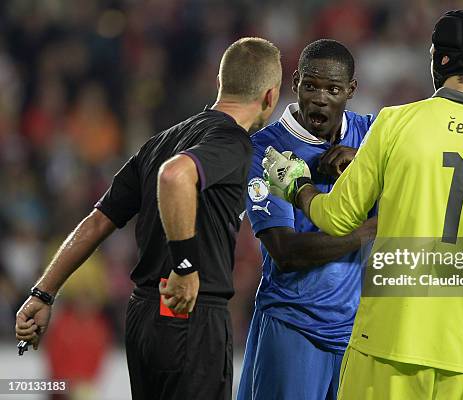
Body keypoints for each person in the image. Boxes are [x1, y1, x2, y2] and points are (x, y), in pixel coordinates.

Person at [263, 10, 463, 400]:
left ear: (440, 59)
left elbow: (335, 218)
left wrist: (298, 186)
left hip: (385, 348)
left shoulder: (397, 123)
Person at [14, 37, 282, 400]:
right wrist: (185, 266)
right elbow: (175, 176)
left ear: (220, 84)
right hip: (191, 313)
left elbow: (97, 221)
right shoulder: (232, 141)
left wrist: (42, 293)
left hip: (143, 317)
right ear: (270, 96)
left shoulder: (161, 140)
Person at [237, 39, 377, 400]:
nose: (320, 98)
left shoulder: (372, 136)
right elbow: (286, 250)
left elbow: (424, 175)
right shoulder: (266, 150)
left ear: (351, 90)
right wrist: (369, 231)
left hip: (357, 335)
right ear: (295, 82)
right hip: (292, 329)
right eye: (311, 86)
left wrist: (363, 161)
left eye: (333, 89)